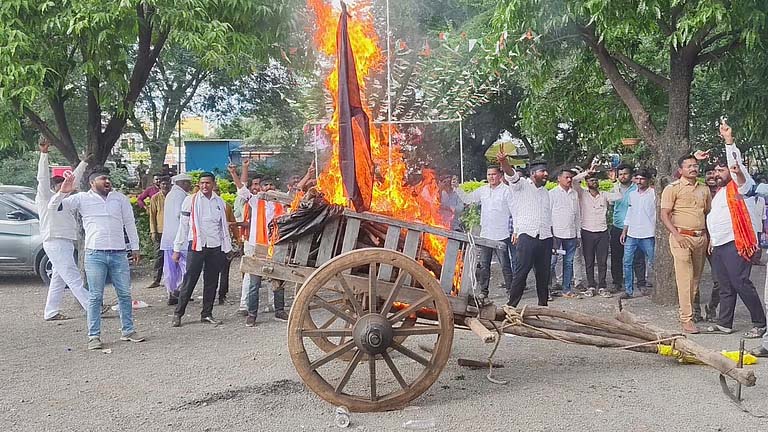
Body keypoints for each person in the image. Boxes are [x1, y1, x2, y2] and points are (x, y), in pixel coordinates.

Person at [50, 169, 145, 350]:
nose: (107, 181)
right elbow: (53, 208)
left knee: (124, 294)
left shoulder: (120, 199)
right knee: (95, 296)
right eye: (103, 179)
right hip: (95, 254)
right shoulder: (81, 199)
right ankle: (94, 336)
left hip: (119, 253)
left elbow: (130, 223)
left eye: (108, 178)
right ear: (92, 183)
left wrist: (135, 247)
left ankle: (128, 330)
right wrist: (63, 192)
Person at [704, 121, 766, 339]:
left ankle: (760, 324)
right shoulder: (721, 192)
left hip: (737, 242)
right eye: (716, 170)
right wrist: (712, 239)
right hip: (720, 243)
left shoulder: (742, 185)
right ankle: (724, 323)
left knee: (741, 283)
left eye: (722, 170)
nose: (718, 173)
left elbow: (735, 166)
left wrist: (729, 142)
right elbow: (715, 218)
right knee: (724, 285)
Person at [35, 137, 90, 321]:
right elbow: (42, 178)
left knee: (59, 279)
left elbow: (73, 180)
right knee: (73, 277)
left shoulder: (66, 199)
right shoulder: (44, 196)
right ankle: (92, 307)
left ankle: (51, 312)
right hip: (54, 241)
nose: (66, 187)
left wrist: (83, 163)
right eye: (60, 185)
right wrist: (44, 154)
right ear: (53, 187)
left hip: (64, 241)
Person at [229, 160, 288, 326]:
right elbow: (242, 190)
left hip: (276, 246)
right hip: (258, 246)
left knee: (278, 280)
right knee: (255, 282)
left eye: (271, 185)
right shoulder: (255, 201)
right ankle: (252, 314)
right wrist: (236, 172)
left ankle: (279, 311)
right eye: (265, 185)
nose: (268, 187)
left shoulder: (281, 204)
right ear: (261, 189)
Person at [171, 172, 232, 327]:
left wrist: (228, 248)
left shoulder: (219, 202)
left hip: (215, 246)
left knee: (211, 282)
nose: (205, 186)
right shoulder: (190, 201)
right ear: (198, 184)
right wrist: (177, 249)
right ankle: (178, 314)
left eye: (208, 183)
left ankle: (206, 313)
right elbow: (183, 226)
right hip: (196, 245)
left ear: (214, 184)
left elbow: (223, 227)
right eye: (202, 183)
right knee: (189, 280)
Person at [660, 154, 712, 333]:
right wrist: (676, 234)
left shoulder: (704, 189)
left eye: (695, 165)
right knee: (685, 278)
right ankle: (686, 319)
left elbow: (707, 214)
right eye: (689, 166)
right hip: (681, 237)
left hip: (701, 238)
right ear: (680, 170)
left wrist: (709, 238)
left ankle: (686, 311)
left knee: (696, 280)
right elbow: (664, 215)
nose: (693, 168)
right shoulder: (672, 188)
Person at [498, 154, 553, 307]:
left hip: (545, 237)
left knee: (544, 275)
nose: (546, 174)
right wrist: (504, 162)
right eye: (543, 171)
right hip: (527, 237)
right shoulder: (521, 185)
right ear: (533, 173)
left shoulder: (545, 192)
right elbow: (511, 175)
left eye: (546, 171)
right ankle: (511, 306)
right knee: (521, 273)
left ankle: (543, 307)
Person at [456, 167, 516, 300]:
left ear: (500, 175)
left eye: (494, 174)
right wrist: (457, 188)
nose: (491, 177)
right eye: (489, 174)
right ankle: (484, 291)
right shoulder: (483, 190)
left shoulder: (507, 191)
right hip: (486, 234)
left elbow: (515, 212)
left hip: (502, 235)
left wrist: (515, 231)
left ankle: (511, 291)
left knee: (505, 265)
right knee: (484, 265)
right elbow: (468, 199)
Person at [572, 165, 622, 298]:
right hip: (587, 232)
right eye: (591, 180)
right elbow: (573, 181)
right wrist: (586, 172)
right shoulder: (582, 193)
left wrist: (614, 181)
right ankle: (591, 286)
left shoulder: (604, 195)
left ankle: (602, 286)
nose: (594, 182)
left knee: (602, 261)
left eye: (595, 180)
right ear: (586, 183)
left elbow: (618, 196)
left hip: (602, 232)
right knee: (588, 261)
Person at [609, 164, 647, 292]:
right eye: (620, 174)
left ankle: (641, 283)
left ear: (631, 175)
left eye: (625, 174)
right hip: (617, 226)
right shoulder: (615, 188)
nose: (622, 176)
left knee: (638, 257)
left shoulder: (637, 189)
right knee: (616, 257)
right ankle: (617, 283)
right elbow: (610, 204)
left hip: (634, 228)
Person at [619, 169, 656, 299]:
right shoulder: (632, 195)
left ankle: (657, 289)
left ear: (648, 180)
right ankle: (629, 290)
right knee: (627, 262)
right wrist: (624, 230)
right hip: (632, 234)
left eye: (642, 179)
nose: (639, 182)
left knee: (654, 262)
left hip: (648, 234)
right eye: (637, 179)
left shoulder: (654, 194)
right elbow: (629, 213)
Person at [693, 169, 721, 322]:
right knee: (693, 277)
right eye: (709, 173)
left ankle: (712, 308)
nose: (712, 176)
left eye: (716, 172)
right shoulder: (698, 191)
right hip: (697, 237)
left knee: (719, 279)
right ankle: (695, 310)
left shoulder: (725, 193)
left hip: (717, 241)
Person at [548, 169, 581, 298]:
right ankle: (547, 290)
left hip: (571, 234)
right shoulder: (552, 194)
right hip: (556, 234)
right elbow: (548, 215)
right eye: (566, 177)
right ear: (559, 179)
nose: (569, 180)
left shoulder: (574, 194)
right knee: (551, 262)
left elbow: (577, 215)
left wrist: (578, 234)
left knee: (568, 263)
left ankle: (566, 289)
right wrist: (550, 234)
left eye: (571, 178)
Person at [162, 174, 192, 305]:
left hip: (168, 236)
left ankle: (171, 291)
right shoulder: (180, 195)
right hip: (179, 237)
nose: (190, 186)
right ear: (183, 183)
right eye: (188, 183)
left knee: (170, 267)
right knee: (185, 266)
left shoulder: (169, 194)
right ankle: (181, 291)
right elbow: (179, 215)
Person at [147, 176, 170, 288]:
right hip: (160, 231)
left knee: (173, 256)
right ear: (159, 185)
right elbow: (152, 216)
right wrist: (153, 231)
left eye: (167, 184)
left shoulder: (173, 196)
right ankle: (156, 280)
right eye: (163, 184)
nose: (165, 186)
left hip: (172, 231)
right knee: (158, 256)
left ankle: (171, 280)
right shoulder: (155, 198)